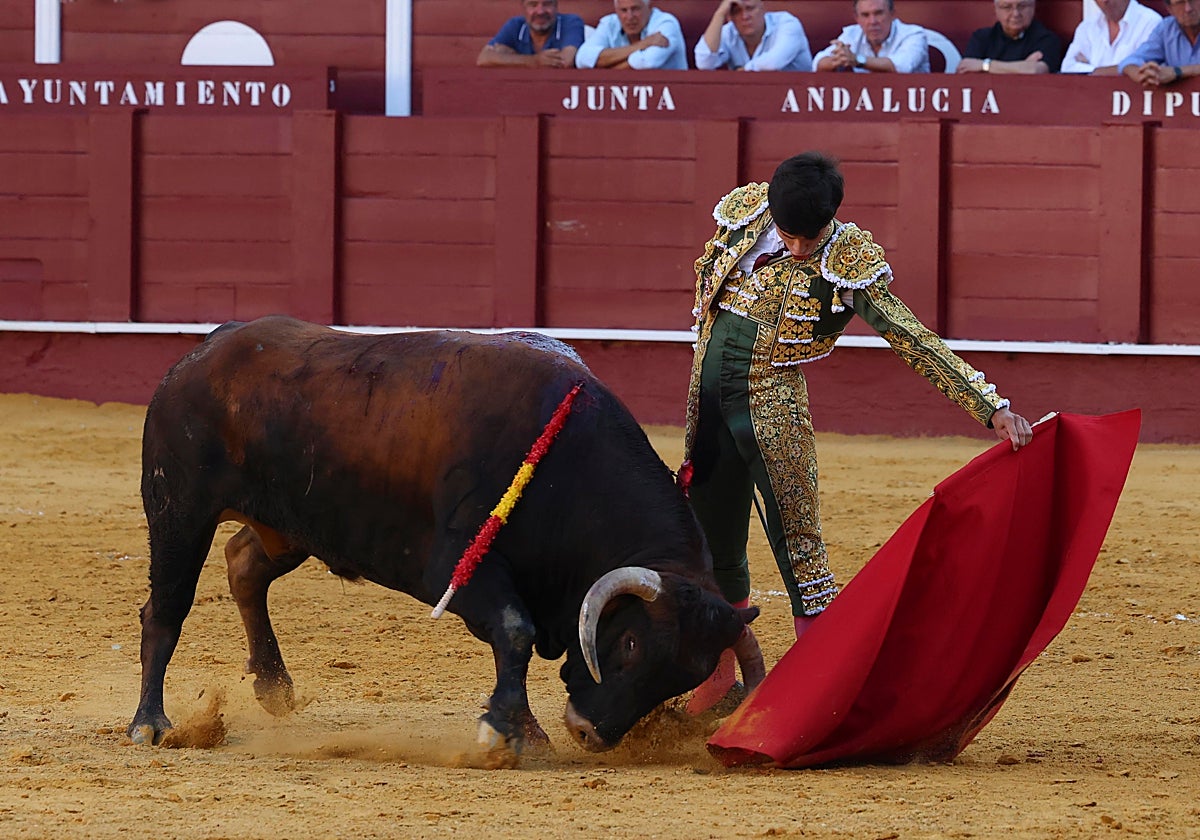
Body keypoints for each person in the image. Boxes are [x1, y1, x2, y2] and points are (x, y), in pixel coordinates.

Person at [681, 151, 1034, 713]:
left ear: (831, 218)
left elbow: (910, 336)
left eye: (810, 236)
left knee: (800, 547)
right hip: (706, 406)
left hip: (772, 413)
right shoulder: (744, 215)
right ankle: (720, 676)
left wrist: (990, 407)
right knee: (710, 540)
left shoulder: (847, 259)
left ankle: (821, 692)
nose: (800, 247)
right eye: (788, 235)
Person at [813, 0, 930, 74]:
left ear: (892, 14)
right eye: (865, 15)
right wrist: (838, 60)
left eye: (878, 13)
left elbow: (901, 67)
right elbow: (817, 63)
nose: (872, 21)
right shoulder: (851, 34)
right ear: (857, 18)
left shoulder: (914, 34)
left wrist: (857, 60)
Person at [694, 0, 814, 72]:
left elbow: (773, 62)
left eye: (750, 8)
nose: (745, 16)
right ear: (729, 17)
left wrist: (746, 69)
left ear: (763, 8)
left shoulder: (787, 23)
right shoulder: (729, 31)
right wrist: (719, 14)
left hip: (795, 101)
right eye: (736, 11)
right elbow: (704, 63)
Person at [575, 0, 689, 69]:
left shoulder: (666, 23)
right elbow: (582, 59)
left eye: (635, 9)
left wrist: (602, 68)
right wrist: (642, 45)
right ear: (616, 10)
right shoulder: (609, 23)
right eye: (623, 10)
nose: (629, 17)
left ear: (649, 7)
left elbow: (646, 62)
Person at [957, 0, 1063, 73]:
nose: (1015, 13)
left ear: (1033, 7)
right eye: (1007, 7)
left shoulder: (1047, 39)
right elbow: (966, 70)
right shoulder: (981, 37)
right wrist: (1021, 68)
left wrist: (984, 65)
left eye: (1022, 6)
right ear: (996, 9)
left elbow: (1036, 70)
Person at [1061, 0, 1162, 74]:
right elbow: (1067, 68)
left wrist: (1089, 70)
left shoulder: (1150, 22)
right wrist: (1125, 69)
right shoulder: (1087, 27)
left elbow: (1144, 71)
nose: (1105, 1)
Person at [477, 0, 586, 68]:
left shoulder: (570, 22)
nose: (540, 11)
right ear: (523, 8)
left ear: (556, 6)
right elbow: (484, 58)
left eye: (547, 4)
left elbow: (566, 61)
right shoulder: (515, 25)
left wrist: (511, 58)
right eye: (533, 4)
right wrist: (534, 60)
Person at [1119, 0, 1200, 87]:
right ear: (1170, 9)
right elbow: (1130, 60)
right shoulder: (1166, 28)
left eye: (1193, 1)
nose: (1188, 9)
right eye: (1180, 3)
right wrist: (1141, 74)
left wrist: (1177, 72)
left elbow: (1174, 72)